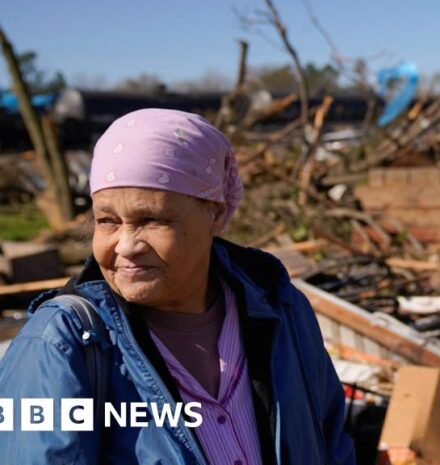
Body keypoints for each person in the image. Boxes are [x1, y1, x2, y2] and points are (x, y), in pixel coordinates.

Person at [0, 108, 355, 465]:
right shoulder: (62, 344)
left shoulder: (280, 308)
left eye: (151, 219)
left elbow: (332, 442)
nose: (125, 246)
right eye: (107, 221)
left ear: (214, 213)